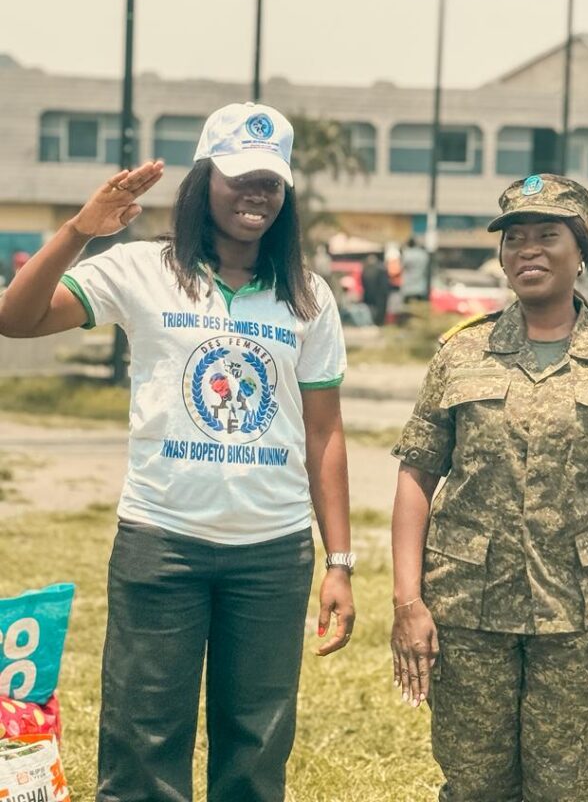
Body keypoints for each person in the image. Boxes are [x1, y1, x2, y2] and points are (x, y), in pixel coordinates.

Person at [0, 102, 356, 802]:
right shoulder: (142, 269)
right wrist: (79, 231)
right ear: (204, 181)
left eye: (271, 182)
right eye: (240, 177)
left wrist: (339, 561)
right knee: (142, 743)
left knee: (255, 749)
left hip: (272, 554)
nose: (257, 194)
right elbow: (15, 319)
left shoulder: (308, 295)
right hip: (161, 544)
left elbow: (325, 433)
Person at [390, 173, 588, 802]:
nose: (529, 250)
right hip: (466, 609)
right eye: (514, 238)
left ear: (581, 252)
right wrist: (408, 603)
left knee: (567, 788)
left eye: (548, 235)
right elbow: (416, 477)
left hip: (582, 617)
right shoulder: (461, 353)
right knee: (474, 785)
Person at [361, 253, 390, 326]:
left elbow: (364, 282)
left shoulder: (365, 270)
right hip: (379, 294)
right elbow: (384, 284)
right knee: (379, 310)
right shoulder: (381, 269)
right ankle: (378, 322)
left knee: (370, 310)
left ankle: (372, 322)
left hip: (369, 294)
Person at [400, 237, 429, 303]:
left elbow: (402, 266)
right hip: (420, 285)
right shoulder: (423, 253)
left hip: (408, 286)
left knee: (407, 307)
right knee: (419, 306)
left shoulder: (406, 254)